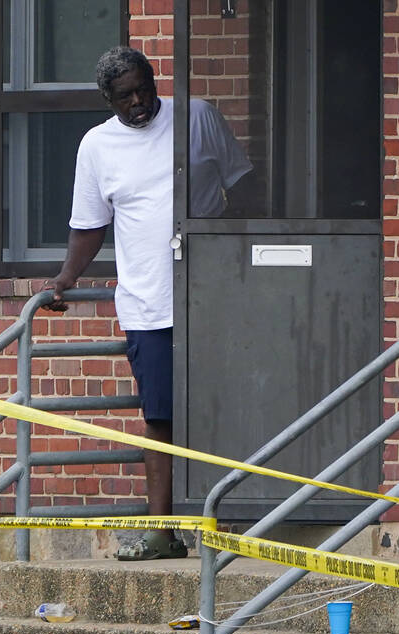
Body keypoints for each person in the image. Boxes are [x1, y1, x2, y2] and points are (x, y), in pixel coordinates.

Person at [43, 46, 253, 560]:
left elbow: (247, 188)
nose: (138, 102)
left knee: (231, 407)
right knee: (160, 416)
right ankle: (162, 530)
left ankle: (242, 520)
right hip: (149, 302)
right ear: (107, 100)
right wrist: (64, 280)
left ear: (154, 80)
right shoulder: (97, 145)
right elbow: (89, 225)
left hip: (216, 298)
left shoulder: (198, 117)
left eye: (143, 88)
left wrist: (240, 256)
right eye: (124, 97)